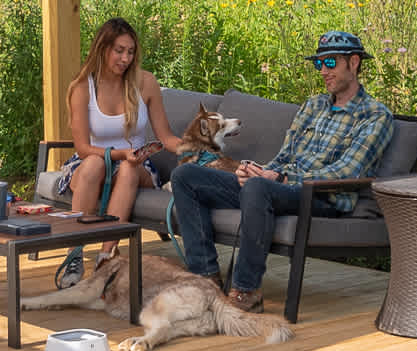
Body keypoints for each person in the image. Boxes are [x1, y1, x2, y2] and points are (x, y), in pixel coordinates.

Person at [167, 29, 392, 312]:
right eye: (318, 64)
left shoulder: (374, 116)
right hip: (275, 187)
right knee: (186, 177)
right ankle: (205, 279)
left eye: (330, 63)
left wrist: (281, 178)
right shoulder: (312, 106)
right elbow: (284, 156)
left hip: (320, 198)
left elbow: (349, 172)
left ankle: (246, 292)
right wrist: (256, 170)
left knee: (258, 188)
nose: (323, 70)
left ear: (354, 62)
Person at [60, 17, 190, 224]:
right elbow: (83, 148)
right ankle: (75, 248)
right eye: (119, 51)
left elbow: (166, 138)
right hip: (91, 163)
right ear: (102, 49)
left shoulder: (146, 83)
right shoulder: (83, 88)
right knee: (94, 163)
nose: (125, 59)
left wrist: (194, 149)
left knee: (128, 169)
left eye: (130, 52)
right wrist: (120, 154)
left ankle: (107, 252)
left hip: (136, 167)